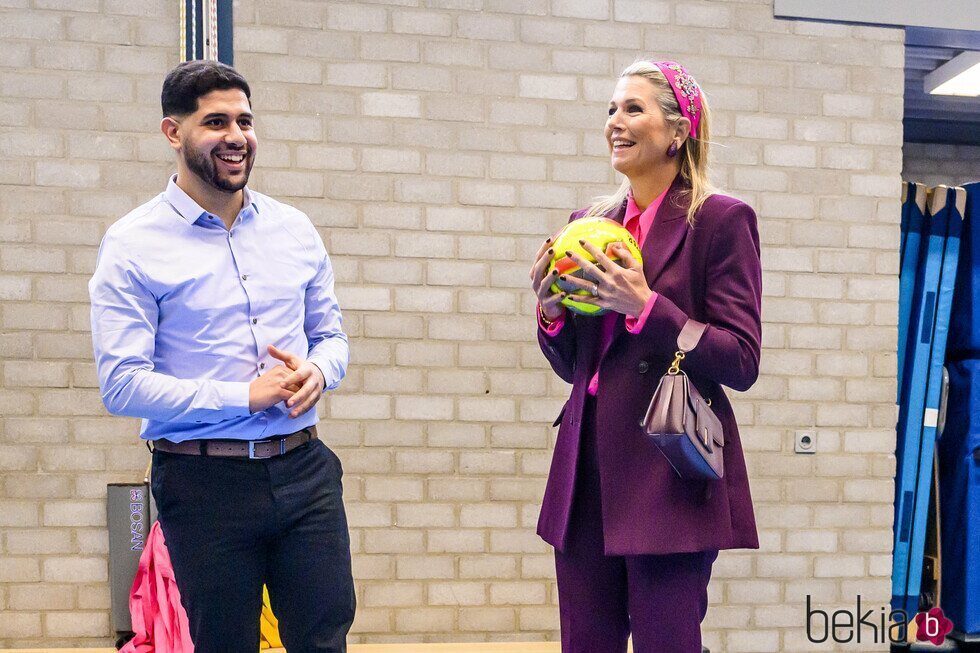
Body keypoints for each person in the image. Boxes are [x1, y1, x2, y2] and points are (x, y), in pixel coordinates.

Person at [89, 60, 354, 652]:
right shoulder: (133, 244)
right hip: (203, 482)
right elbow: (123, 385)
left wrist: (319, 370)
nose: (236, 136)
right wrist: (244, 396)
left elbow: (332, 339)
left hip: (305, 469)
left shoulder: (294, 229)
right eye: (215, 122)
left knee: (323, 638)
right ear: (172, 132)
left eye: (245, 120)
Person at [529, 60, 762, 652]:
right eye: (611, 109)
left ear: (678, 132)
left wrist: (647, 306)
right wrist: (551, 314)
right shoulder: (590, 224)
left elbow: (740, 359)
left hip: (667, 472)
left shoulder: (720, 220)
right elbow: (577, 367)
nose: (616, 122)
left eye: (633, 109)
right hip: (585, 471)